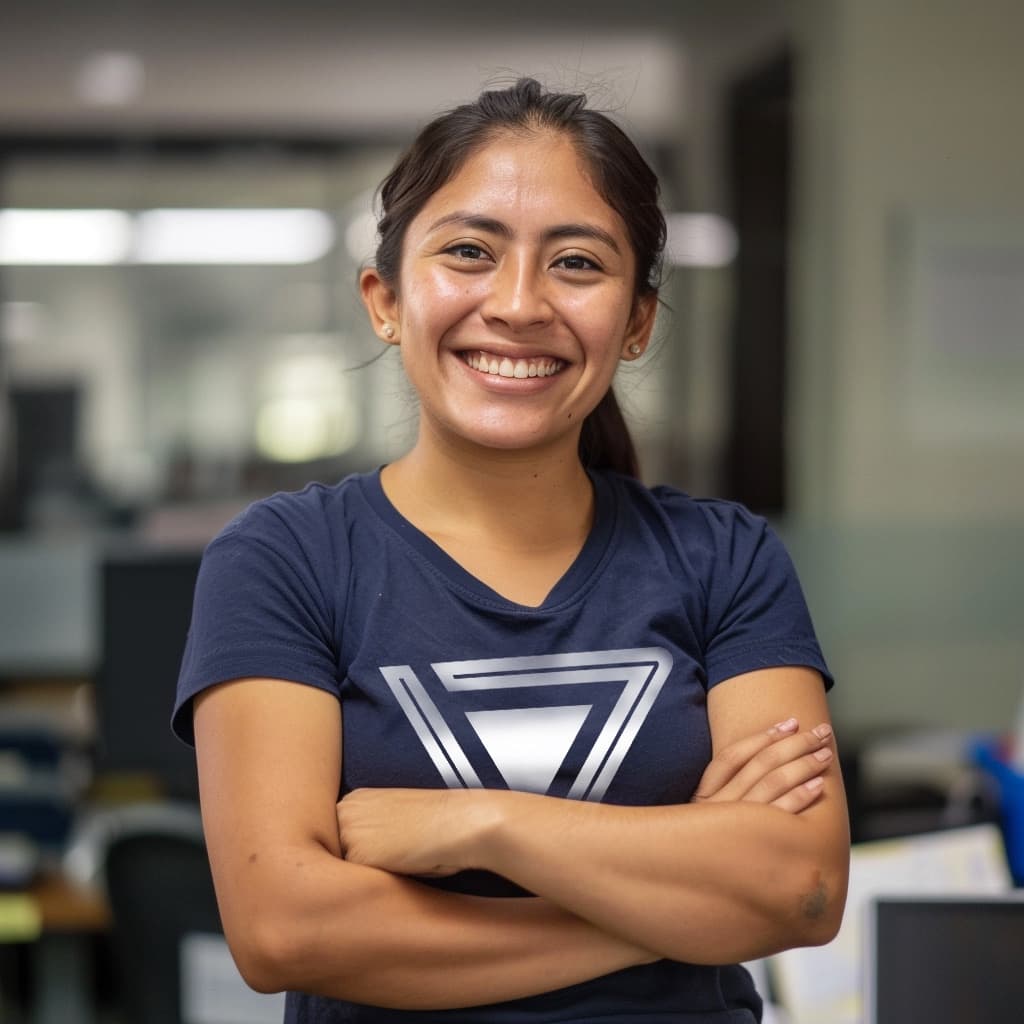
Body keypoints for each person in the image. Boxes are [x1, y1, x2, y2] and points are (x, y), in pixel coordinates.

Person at [173, 78, 849, 1023]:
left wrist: (483, 826)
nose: (520, 304)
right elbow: (287, 931)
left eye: (577, 263)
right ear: (384, 298)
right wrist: (688, 890)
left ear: (639, 321)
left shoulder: (725, 559)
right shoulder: (286, 561)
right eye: (468, 252)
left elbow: (804, 892)